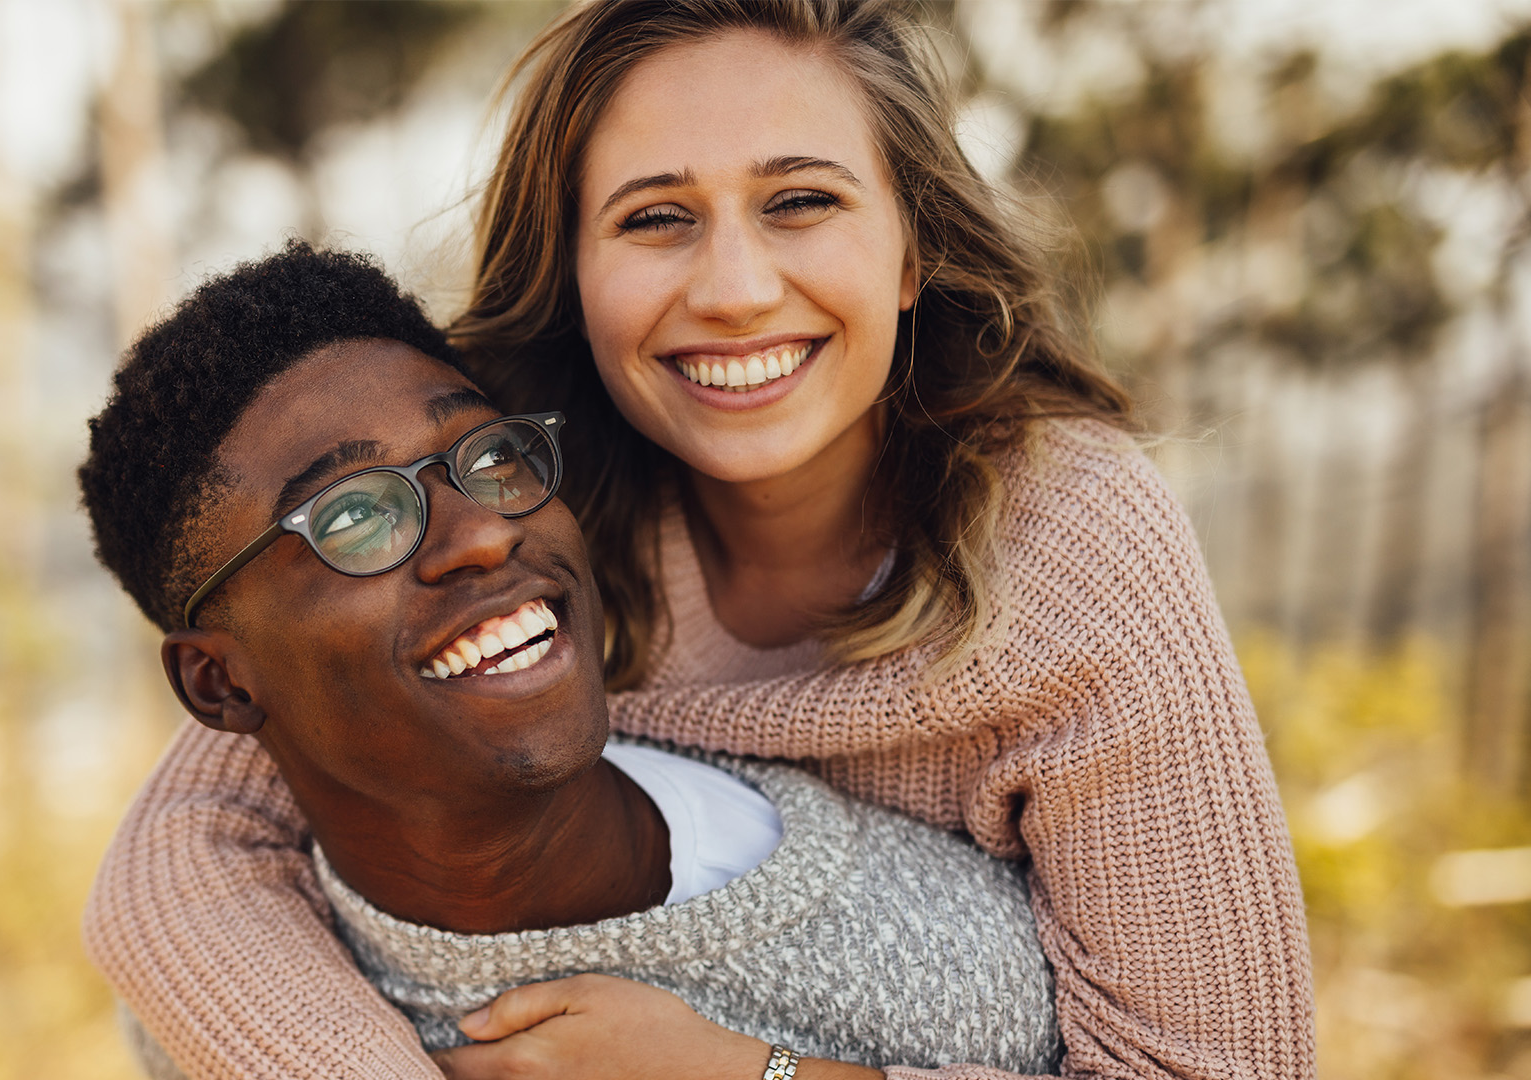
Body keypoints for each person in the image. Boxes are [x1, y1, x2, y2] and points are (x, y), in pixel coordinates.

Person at [82, 2, 1316, 1078]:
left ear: (910, 252)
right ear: (576, 272)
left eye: (801, 201)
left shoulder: (1064, 539)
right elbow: (184, 860)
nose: (733, 288)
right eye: (657, 218)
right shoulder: (513, 493)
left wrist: (749, 1076)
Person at [77, 244, 1062, 1078]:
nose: (483, 536)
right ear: (219, 681)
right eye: (355, 514)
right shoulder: (215, 1027)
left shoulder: (928, 958)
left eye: (489, 457)